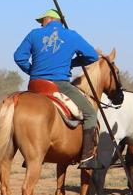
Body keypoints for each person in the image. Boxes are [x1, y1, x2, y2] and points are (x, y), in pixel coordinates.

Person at [13, 9, 101, 169]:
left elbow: (19, 57)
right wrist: (72, 63)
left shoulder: (34, 34)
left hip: (35, 85)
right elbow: (92, 56)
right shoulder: (71, 35)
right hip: (60, 85)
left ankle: (30, 153)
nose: (41, 24)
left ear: (48, 19)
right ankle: (87, 157)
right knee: (90, 113)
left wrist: (32, 70)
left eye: (42, 21)